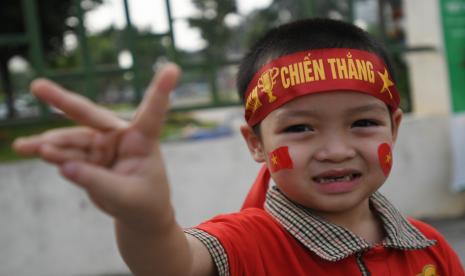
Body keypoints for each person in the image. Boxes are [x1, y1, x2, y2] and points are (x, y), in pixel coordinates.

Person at [13, 18, 464, 276]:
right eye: (301, 129)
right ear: (256, 144)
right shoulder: (247, 244)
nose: (335, 149)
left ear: (395, 128)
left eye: (363, 123)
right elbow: (172, 264)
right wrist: (145, 219)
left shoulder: (428, 247)